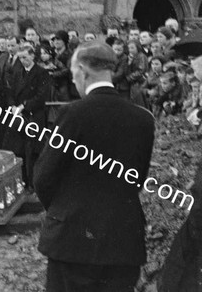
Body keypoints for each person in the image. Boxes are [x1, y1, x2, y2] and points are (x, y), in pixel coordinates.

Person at [34, 41, 155, 292]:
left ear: (83, 70)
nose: (73, 80)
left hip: (73, 241)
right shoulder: (143, 119)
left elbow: (44, 176)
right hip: (123, 242)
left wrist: (63, 209)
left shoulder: (73, 114)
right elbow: (137, 179)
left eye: (73, 73)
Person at [0, 44, 50, 190]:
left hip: (33, 116)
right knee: (16, 148)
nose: (23, 61)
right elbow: (10, 92)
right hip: (18, 115)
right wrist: (12, 105)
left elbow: (41, 96)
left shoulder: (41, 73)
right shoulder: (18, 72)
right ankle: (21, 181)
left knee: (32, 151)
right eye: (20, 58)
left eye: (25, 57)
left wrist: (23, 106)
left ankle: (33, 184)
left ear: (32, 56)